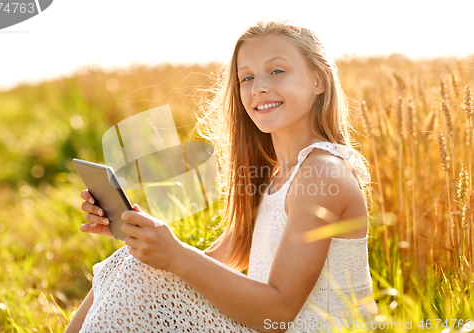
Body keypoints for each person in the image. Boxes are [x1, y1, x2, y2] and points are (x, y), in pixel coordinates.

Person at [65, 18, 378, 333]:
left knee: (135, 269)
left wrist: (175, 254)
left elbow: (279, 314)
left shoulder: (323, 174)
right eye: (247, 78)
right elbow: (216, 264)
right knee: (131, 261)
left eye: (277, 71)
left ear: (318, 81)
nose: (259, 87)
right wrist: (144, 238)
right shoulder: (274, 176)